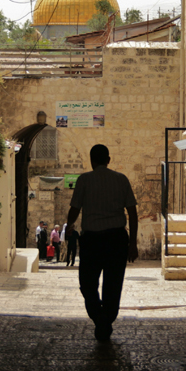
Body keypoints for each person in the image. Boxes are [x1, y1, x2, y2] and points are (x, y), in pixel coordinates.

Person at [66, 144, 138, 342]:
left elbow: (75, 208)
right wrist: (133, 243)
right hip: (117, 240)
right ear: (108, 159)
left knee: (87, 284)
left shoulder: (84, 180)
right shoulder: (121, 180)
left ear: (92, 160)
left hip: (92, 240)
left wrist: (68, 226)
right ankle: (106, 318)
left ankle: (99, 317)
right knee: (113, 285)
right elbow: (132, 212)